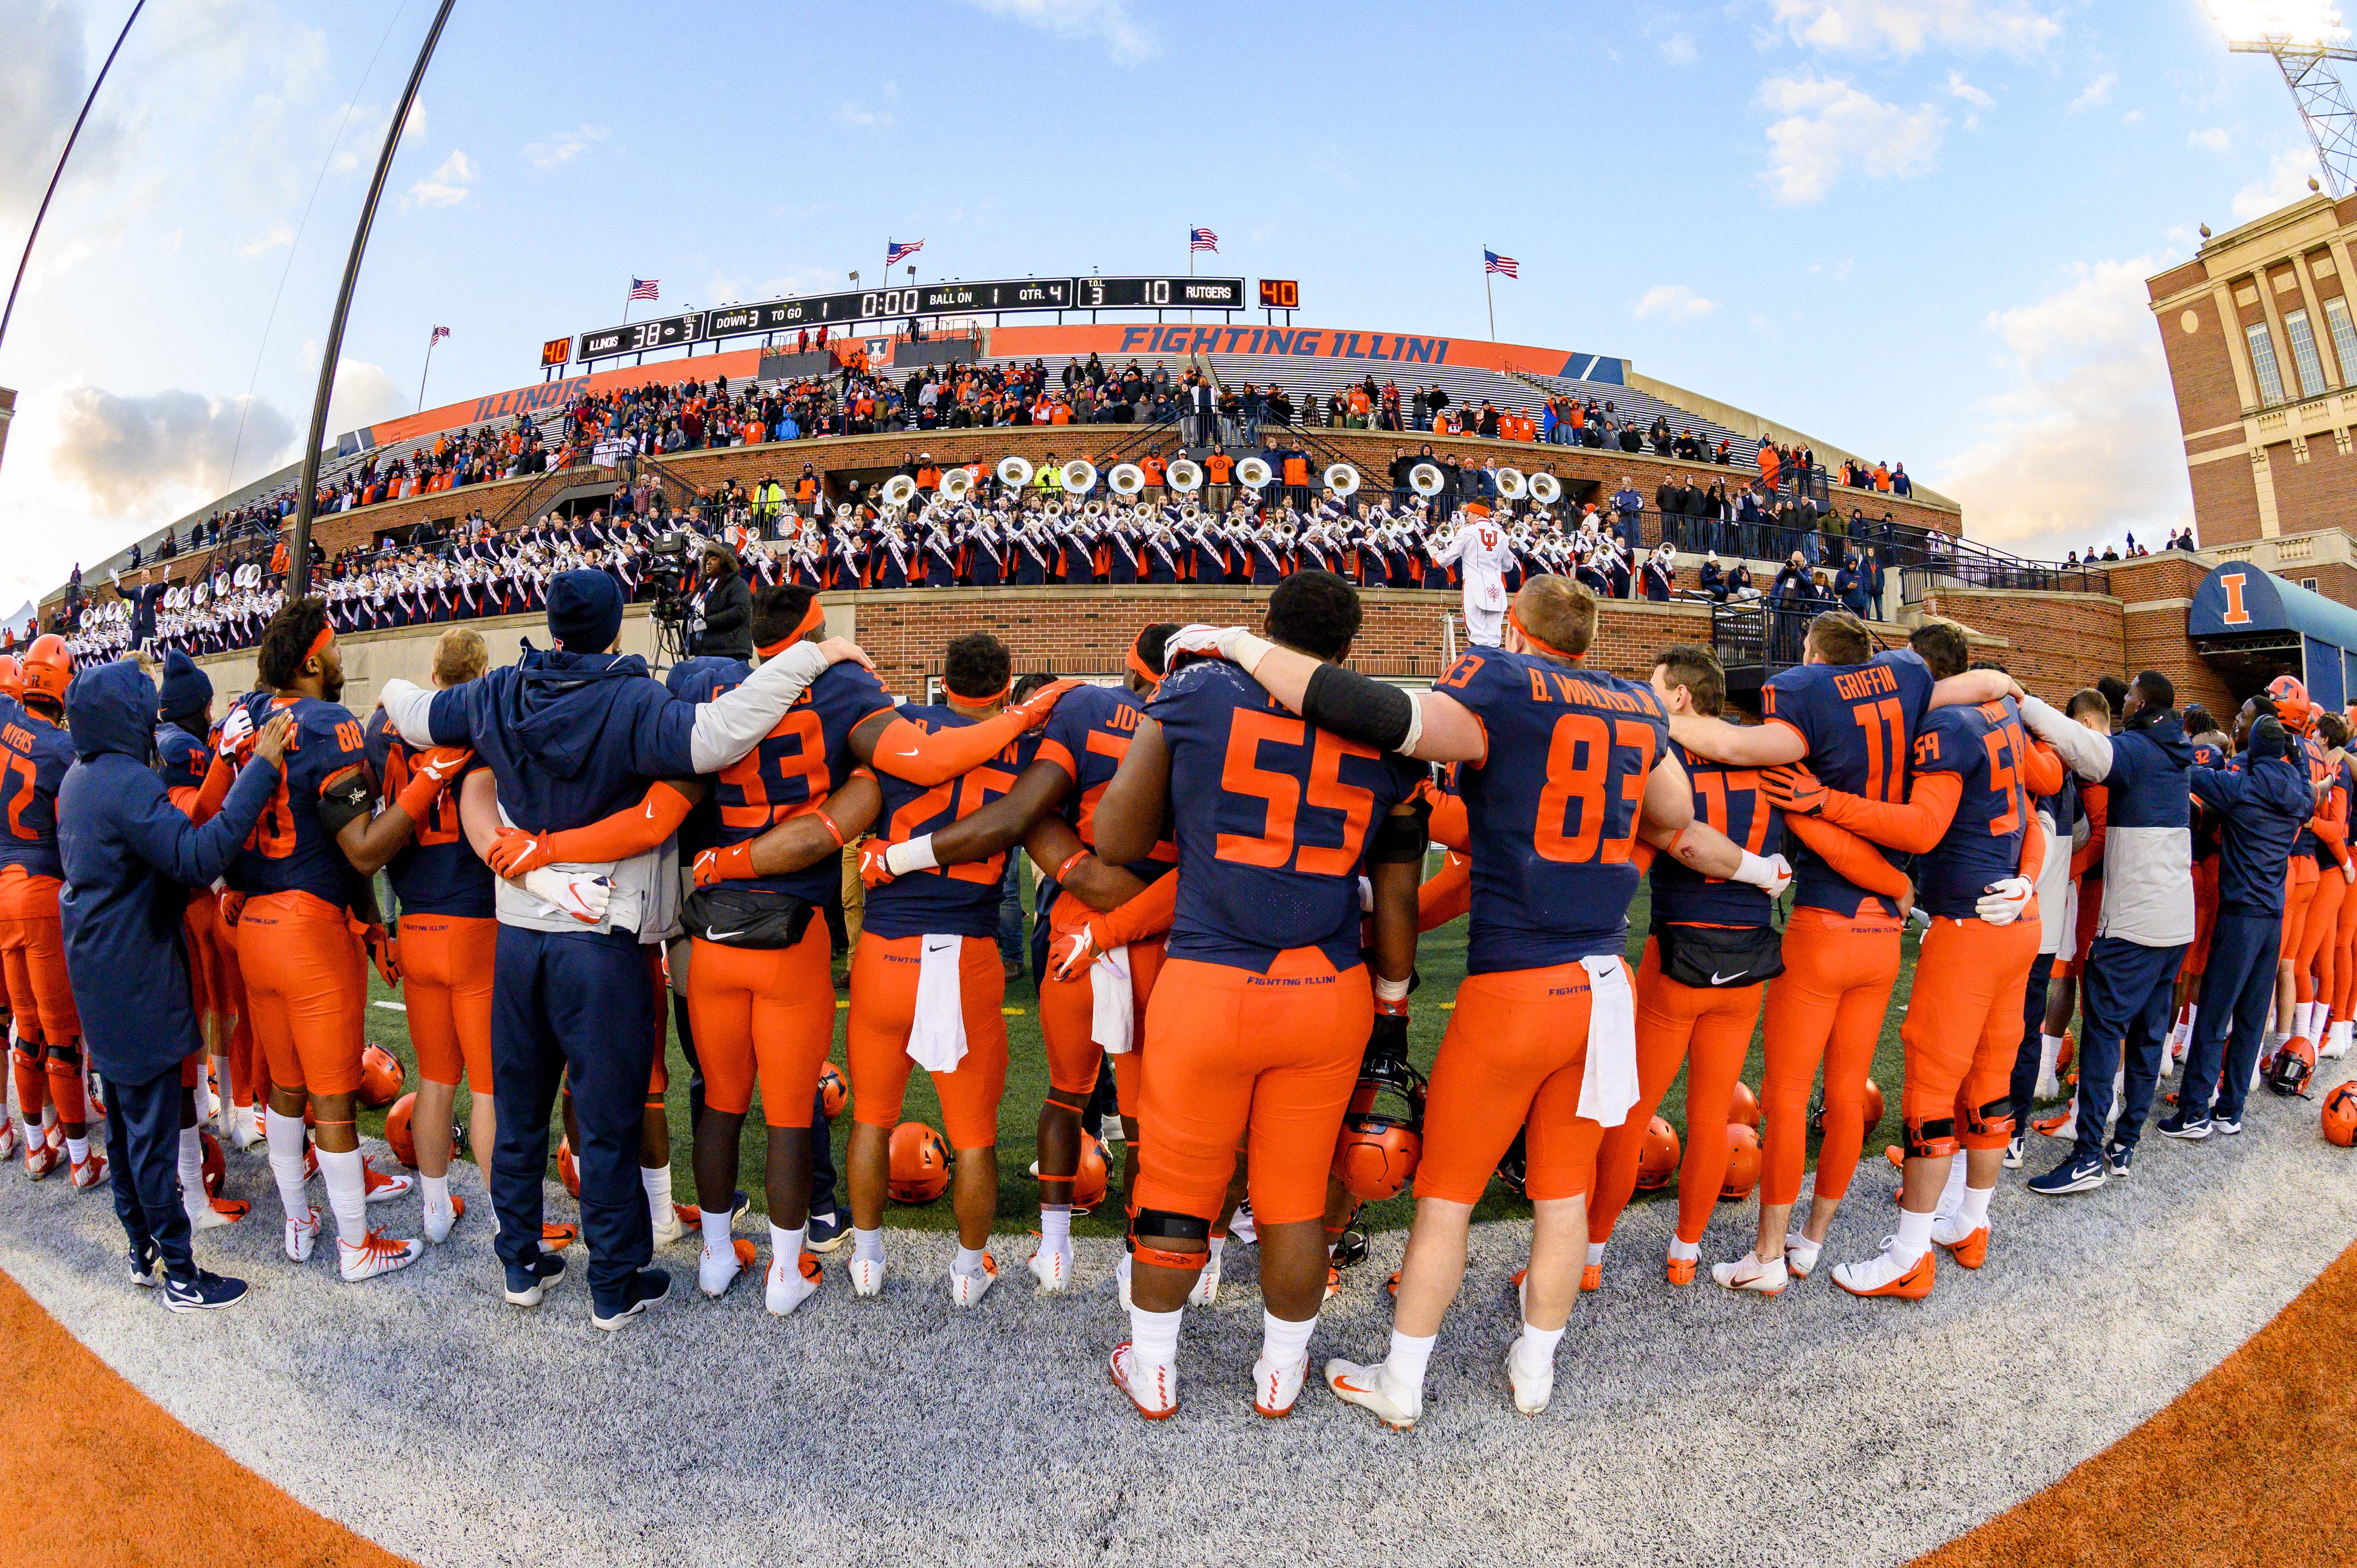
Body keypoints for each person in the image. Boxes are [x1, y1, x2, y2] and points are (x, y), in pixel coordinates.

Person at [1195, 580, 1784, 1426]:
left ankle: (1401, 1380)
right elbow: (1674, 817)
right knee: (1561, 1194)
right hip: (1602, 984)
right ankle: (1534, 1369)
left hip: (1516, 983)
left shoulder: (1501, 679)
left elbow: (1390, 720)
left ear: (1513, 627)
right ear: (1590, 637)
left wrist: (1245, 646)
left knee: (1447, 1198)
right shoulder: (1631, 702)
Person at [374, 569, 870, 1327]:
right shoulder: (634, 698)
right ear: (615, 629)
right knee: (606, 1115)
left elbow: (413, 712)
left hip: (518, 935)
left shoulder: (501, 690)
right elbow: (718, 735)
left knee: (519, 1108)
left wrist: (393, 694)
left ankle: (522, 1266)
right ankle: (613, 1281)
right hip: (600, 939)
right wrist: (811, 657)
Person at [1092, 573, 1426, 1420]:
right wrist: (1392, 1006)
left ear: (1266, 626)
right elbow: (1394, 905)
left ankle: (1156, 1369)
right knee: (1292, 1194)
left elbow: (1118, 838)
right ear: (1349, 653)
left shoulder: (1201, 685)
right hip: (1326, 987)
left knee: (1175, 1182)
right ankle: (1279, 1374)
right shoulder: (1385, 732)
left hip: (1210, 979)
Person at [1661, 612, 2007, 1292]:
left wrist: (1653, 718)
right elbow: (1990, 680)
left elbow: (1739, 751)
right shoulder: (1909, 677)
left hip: (1827, 924)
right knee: (1846, 1092)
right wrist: (1896, 882)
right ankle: (1811, 1240)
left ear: (1814, 654)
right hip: (1883, 936)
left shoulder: (1805, 697)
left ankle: (1767, 1257)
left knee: (1789, 1097)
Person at [1765, 626, 2054, 1296]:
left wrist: (1822, 801)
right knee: (1989, 1079)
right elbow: (2038, 802)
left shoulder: (1944, 726)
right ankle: (1971, 1223)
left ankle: (1909, 1253)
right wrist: (2031, 878)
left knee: (1930, 1085)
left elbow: (1923, 828)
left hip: (1969, 926)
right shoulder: (2000, 714)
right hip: (2019, 918)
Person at [223, 600, 457, 1282]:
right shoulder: (329, 724)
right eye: (335, 650)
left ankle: (299, 1222)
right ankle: (356, 1247)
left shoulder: (243, 716)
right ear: (312, 660)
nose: (343, 662)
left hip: (254, 925)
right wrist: (427, 784)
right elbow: (361, 850)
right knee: (331, 1093)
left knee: (285, 1087)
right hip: (308, 933)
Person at [57, 660, 291, 1311]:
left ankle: (142, 1250)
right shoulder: (125, 781)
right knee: (152, 1128)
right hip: (135, 972)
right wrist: (261, 767)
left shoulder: (81, 776)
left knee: (131, 1128)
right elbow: (196, 856)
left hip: (101, 966)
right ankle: (182, 1276)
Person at [2013, 669, 2194, 1194]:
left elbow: (2081, 746)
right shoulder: (2176, 749)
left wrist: (2025, 702)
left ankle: (2088, 1152)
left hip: (2136, 923)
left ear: (2142, 703)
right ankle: (2124, 1146)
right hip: (2175, 920)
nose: (2126, 701)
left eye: (2132, 695)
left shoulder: (2139, 749)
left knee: (2102, 1040)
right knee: (2146, 1037)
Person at [2161, 702, 2311, 1137]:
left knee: (2214, 1015)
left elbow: (2193, 775)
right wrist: (2298, 760)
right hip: (2272, 919)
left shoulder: (2241, 786)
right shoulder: (2296, 792)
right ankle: (2231, 1111)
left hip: (2240, 914)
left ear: (2254, 750)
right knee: (2249, 1018)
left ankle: (2193, 1113)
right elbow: (2306, 792)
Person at [0, 637, 101, 1186]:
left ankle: (38, 1146)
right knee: (62, 1033)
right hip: (40, 892)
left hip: (2, 893)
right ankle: (83, 1159)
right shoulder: (61, 750)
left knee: (26, 1027)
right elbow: (72, 837)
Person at [1429, 512, 1517, 646]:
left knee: (1477, 633)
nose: (1468, 517)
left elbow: (1448, 557)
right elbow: (1508, 566)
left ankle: (1480, 664)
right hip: (1496, 588)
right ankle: (1493, 664)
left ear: (1477, 514)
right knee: (1494, 635)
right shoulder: (1502, 535)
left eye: (1469, 514)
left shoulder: (1467, 531)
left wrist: (1436, 556)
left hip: (1474, 586)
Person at [696, 542, 753, 660]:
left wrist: (708, 623)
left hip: (731, 652)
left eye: (714, 559)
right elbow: (689, 607)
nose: (709, 563)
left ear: (725, 562)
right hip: (706, 651)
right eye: (707, 560)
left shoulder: (738, 583)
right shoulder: (704, 587)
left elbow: (741, 611)